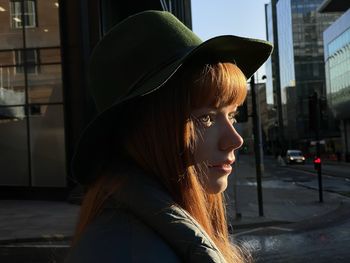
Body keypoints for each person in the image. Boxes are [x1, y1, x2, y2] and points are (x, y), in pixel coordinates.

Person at [67, 10, 272, 263]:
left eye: (231, 116)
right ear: (145, 132)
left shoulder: (148, 235)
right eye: (206, 118)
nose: (235, 140)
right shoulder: (123, 250)